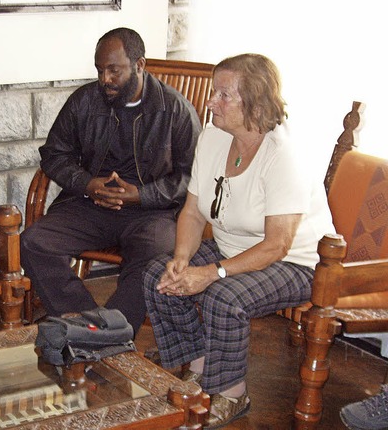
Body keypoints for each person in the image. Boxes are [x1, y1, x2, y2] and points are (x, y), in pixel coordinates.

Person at [142, 53, 336, 428]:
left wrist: (212, 273)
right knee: (158, 276)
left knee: (223, 296)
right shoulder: (214, 136)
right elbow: (194, 212)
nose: (210, 102)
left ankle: (232, 394)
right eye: (214, 92)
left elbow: (277, 245)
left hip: (296, 263)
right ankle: (198, 371)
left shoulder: (283, 156)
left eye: (223, 95)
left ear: (256, 102)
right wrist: (183, 258)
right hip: (235, 249)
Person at [20, 27, 201, 335]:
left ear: (139, 66)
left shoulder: (174, 110)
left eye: (114, 70)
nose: (105, 79)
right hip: (91, 204)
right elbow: (54, 155)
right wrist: (88, 184)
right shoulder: (84, 101)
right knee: (34, 242)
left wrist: (142, 195)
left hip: (151, 212)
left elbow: (191, 176)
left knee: (155, 258)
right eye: (100, 70)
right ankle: (91, 325)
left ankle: (106, 332)